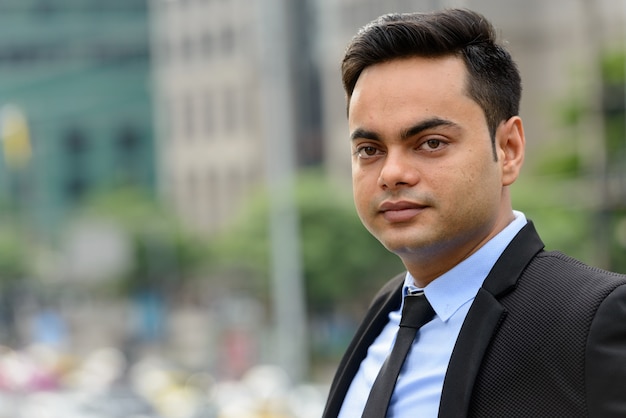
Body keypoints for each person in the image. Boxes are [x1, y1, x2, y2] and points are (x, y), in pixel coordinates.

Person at [322, 8, 626, 418]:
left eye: (430, 143)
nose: (392, 173)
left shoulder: (591, 318)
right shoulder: (386, 312)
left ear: (509, 149)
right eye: (370, 150)